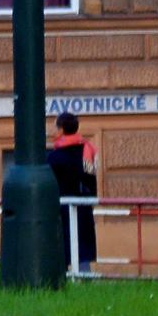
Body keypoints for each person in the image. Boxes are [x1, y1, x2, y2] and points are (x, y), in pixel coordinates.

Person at [49, 111, 98, 275]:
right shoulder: (88, 149)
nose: (53, 131)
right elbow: (91, 177)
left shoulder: (54, 157)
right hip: (83, 206)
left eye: (55, 127)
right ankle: (85, 281)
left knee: (61, 247)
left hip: (61, 208)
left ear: (62, 130)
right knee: (82, 249)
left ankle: (61, 280)